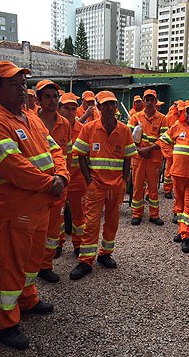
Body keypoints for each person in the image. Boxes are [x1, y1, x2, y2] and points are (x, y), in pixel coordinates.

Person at [0, 60, 65, 349]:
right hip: (18, 206)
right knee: (11, 264)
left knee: (30, 259)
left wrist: (62, 174)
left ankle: (27, 299)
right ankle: (4, 324)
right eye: (13, 83)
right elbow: (13, 166)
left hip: (40, 203)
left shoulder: (31, 117)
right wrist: (48, 182)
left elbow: (55, 149)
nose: (21, 88)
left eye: (23, 83)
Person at [69, 90, 134, 280]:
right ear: (98, 107)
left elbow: (128, 157)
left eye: (112, 104)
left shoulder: (124, 130)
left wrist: (124, 179)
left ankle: (105, 254)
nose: (110, 108)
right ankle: (85, 260)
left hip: (116, 186)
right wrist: (89, 181)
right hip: (96, 185)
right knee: (91, 223)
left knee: (112, 222)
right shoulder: (89, 128)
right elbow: (80, 155)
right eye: (105, 104)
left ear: (116, 107)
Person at [154, 99, 189, 252]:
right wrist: (171, 155)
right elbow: (163, 140)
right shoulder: (178, 126)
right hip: (177, 173)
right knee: (180, 206)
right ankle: (182, 230)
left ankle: (187, 237)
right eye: (187, 112)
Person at [33, 80, 70, 283]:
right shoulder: (30, 121)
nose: (52, 101)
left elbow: (68, 155)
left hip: (59, 185)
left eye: (55, 96)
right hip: (37, 186)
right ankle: (31, 264)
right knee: (34, 227)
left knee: (53, 228)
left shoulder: (65, 124)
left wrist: (65, 180)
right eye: (47, 96)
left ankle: (45, 265)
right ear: (38, 100)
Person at [128, 89, 167, 226]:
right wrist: (140, 150)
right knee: (137, 186)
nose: (149, 102)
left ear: (155, 101)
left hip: (154, 158)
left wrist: (149, 149)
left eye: (152, 99)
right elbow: (128, 136)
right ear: (143, 101)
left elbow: (164, 139)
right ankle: (136, 214)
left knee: (153, 188)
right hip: (138, 157)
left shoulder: (162, 118)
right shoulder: (135, 117)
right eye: (147, 99)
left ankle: (154, 214)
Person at [59, 92, 87, 257]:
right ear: (60, 109)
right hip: (59, 181)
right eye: (66, 108)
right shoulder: (53, 127)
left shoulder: (83, 129)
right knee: (58, 216)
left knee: (79, 216)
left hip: (78, 181)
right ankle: (57, 244)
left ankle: (78, 244)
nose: (70, 112)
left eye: (73, 108)